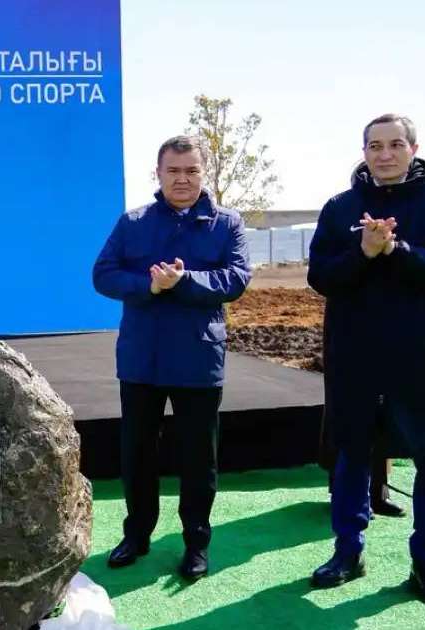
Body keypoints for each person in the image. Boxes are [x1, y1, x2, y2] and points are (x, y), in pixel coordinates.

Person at [307, 114, 425, 606]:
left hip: (424, 354)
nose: (384, 154)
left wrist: (398, 250)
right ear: (363, 151)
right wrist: (364, 252)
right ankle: (348, 551)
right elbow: (321, 277)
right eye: (375, 146)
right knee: (352, 454)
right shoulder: (341, 207)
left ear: (414, 148)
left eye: (395, 145)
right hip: (355, 355)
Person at [92, 135, 251, 580]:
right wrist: (149, 285)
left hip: (198, 358)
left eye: (191, 170)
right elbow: (103, 275)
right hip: (142, 358)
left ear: (204, 172)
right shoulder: (133, 222)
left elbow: (237, 278)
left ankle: (196, 542)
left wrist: (183, 281)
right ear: (158, 174)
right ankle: (137, 534)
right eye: (173, 171)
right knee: (137, 452)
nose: (182, 179)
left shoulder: (227, 224)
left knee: (199, 458)